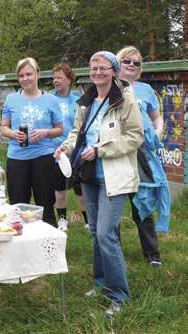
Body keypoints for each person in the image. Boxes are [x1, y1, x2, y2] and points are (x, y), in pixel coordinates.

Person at [55, 51, 143, 317]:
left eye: (103, 68)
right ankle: (100, 284)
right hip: (90, 175)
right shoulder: (87, 99)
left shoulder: (125, 99)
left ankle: (119, 296)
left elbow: (135, 136)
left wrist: (100, 149)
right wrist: (65, 147)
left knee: (106, 234)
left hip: (115, 177)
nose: (98, 72)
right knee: (95, 232)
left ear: (114, 71)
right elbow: (76, 132)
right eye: (94, 68)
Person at [117, 46, 171, 267]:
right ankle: (114, 251)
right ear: (118, 63)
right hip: (116, 153)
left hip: (142, 153)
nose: (131, 65)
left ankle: (152, 254)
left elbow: (157, 118)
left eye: (136, 63)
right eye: (126, 61)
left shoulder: (146, 89)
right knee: (113, 203)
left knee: (144, 203)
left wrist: (157, 132)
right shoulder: (109, 86)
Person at [1, 57, 63, 226]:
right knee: (17, 205)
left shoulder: (51, 100)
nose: (25, 78)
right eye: (21, 75)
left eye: (29, 74)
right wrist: (14, 134)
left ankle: (49, 246)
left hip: (43, 157)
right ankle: (20, 245)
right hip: (17, 157)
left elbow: (60, 129)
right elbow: (4, 127)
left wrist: (45, 132)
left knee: (46, 204)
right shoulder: (11, 99)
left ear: (38, 74)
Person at [51, 63, 88, 231]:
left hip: (77, 151)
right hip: (57, 151)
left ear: (69, 80)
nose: (55, 80)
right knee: (60, 188)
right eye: (54, 77)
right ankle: (63, 220)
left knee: (81, 189)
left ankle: (88, 221)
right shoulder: (49, 99)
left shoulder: (79, 99)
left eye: (59, 77)